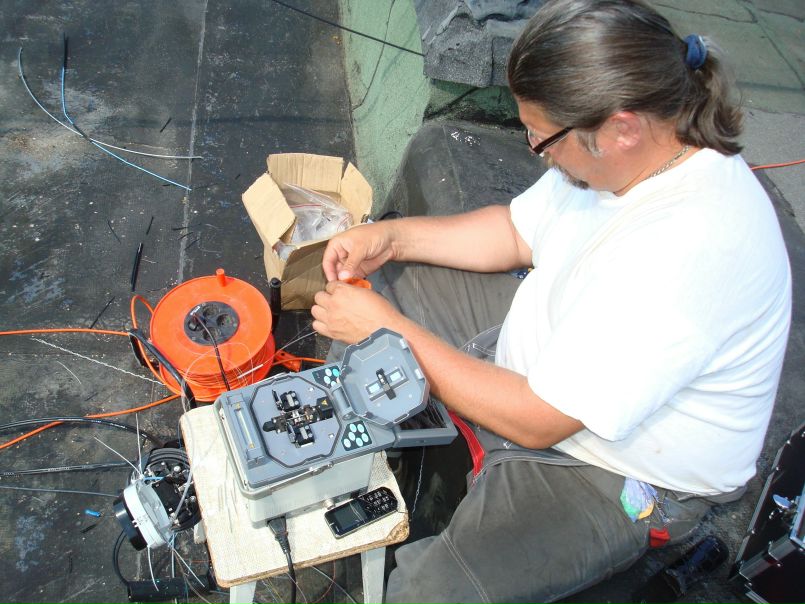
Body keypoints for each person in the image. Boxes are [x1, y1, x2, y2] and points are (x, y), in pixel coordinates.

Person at [311, 0, 792, 601]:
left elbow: (537, 421)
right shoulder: (629, 158)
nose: (535, 150)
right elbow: (516, 232)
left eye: (542, 139)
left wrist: (391, 335)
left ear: (621, 128)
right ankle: (355, 447)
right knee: (375, 285)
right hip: (546, 360)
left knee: (429, 593)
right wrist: (393, 236)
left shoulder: (689, 251)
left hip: (616, 465)